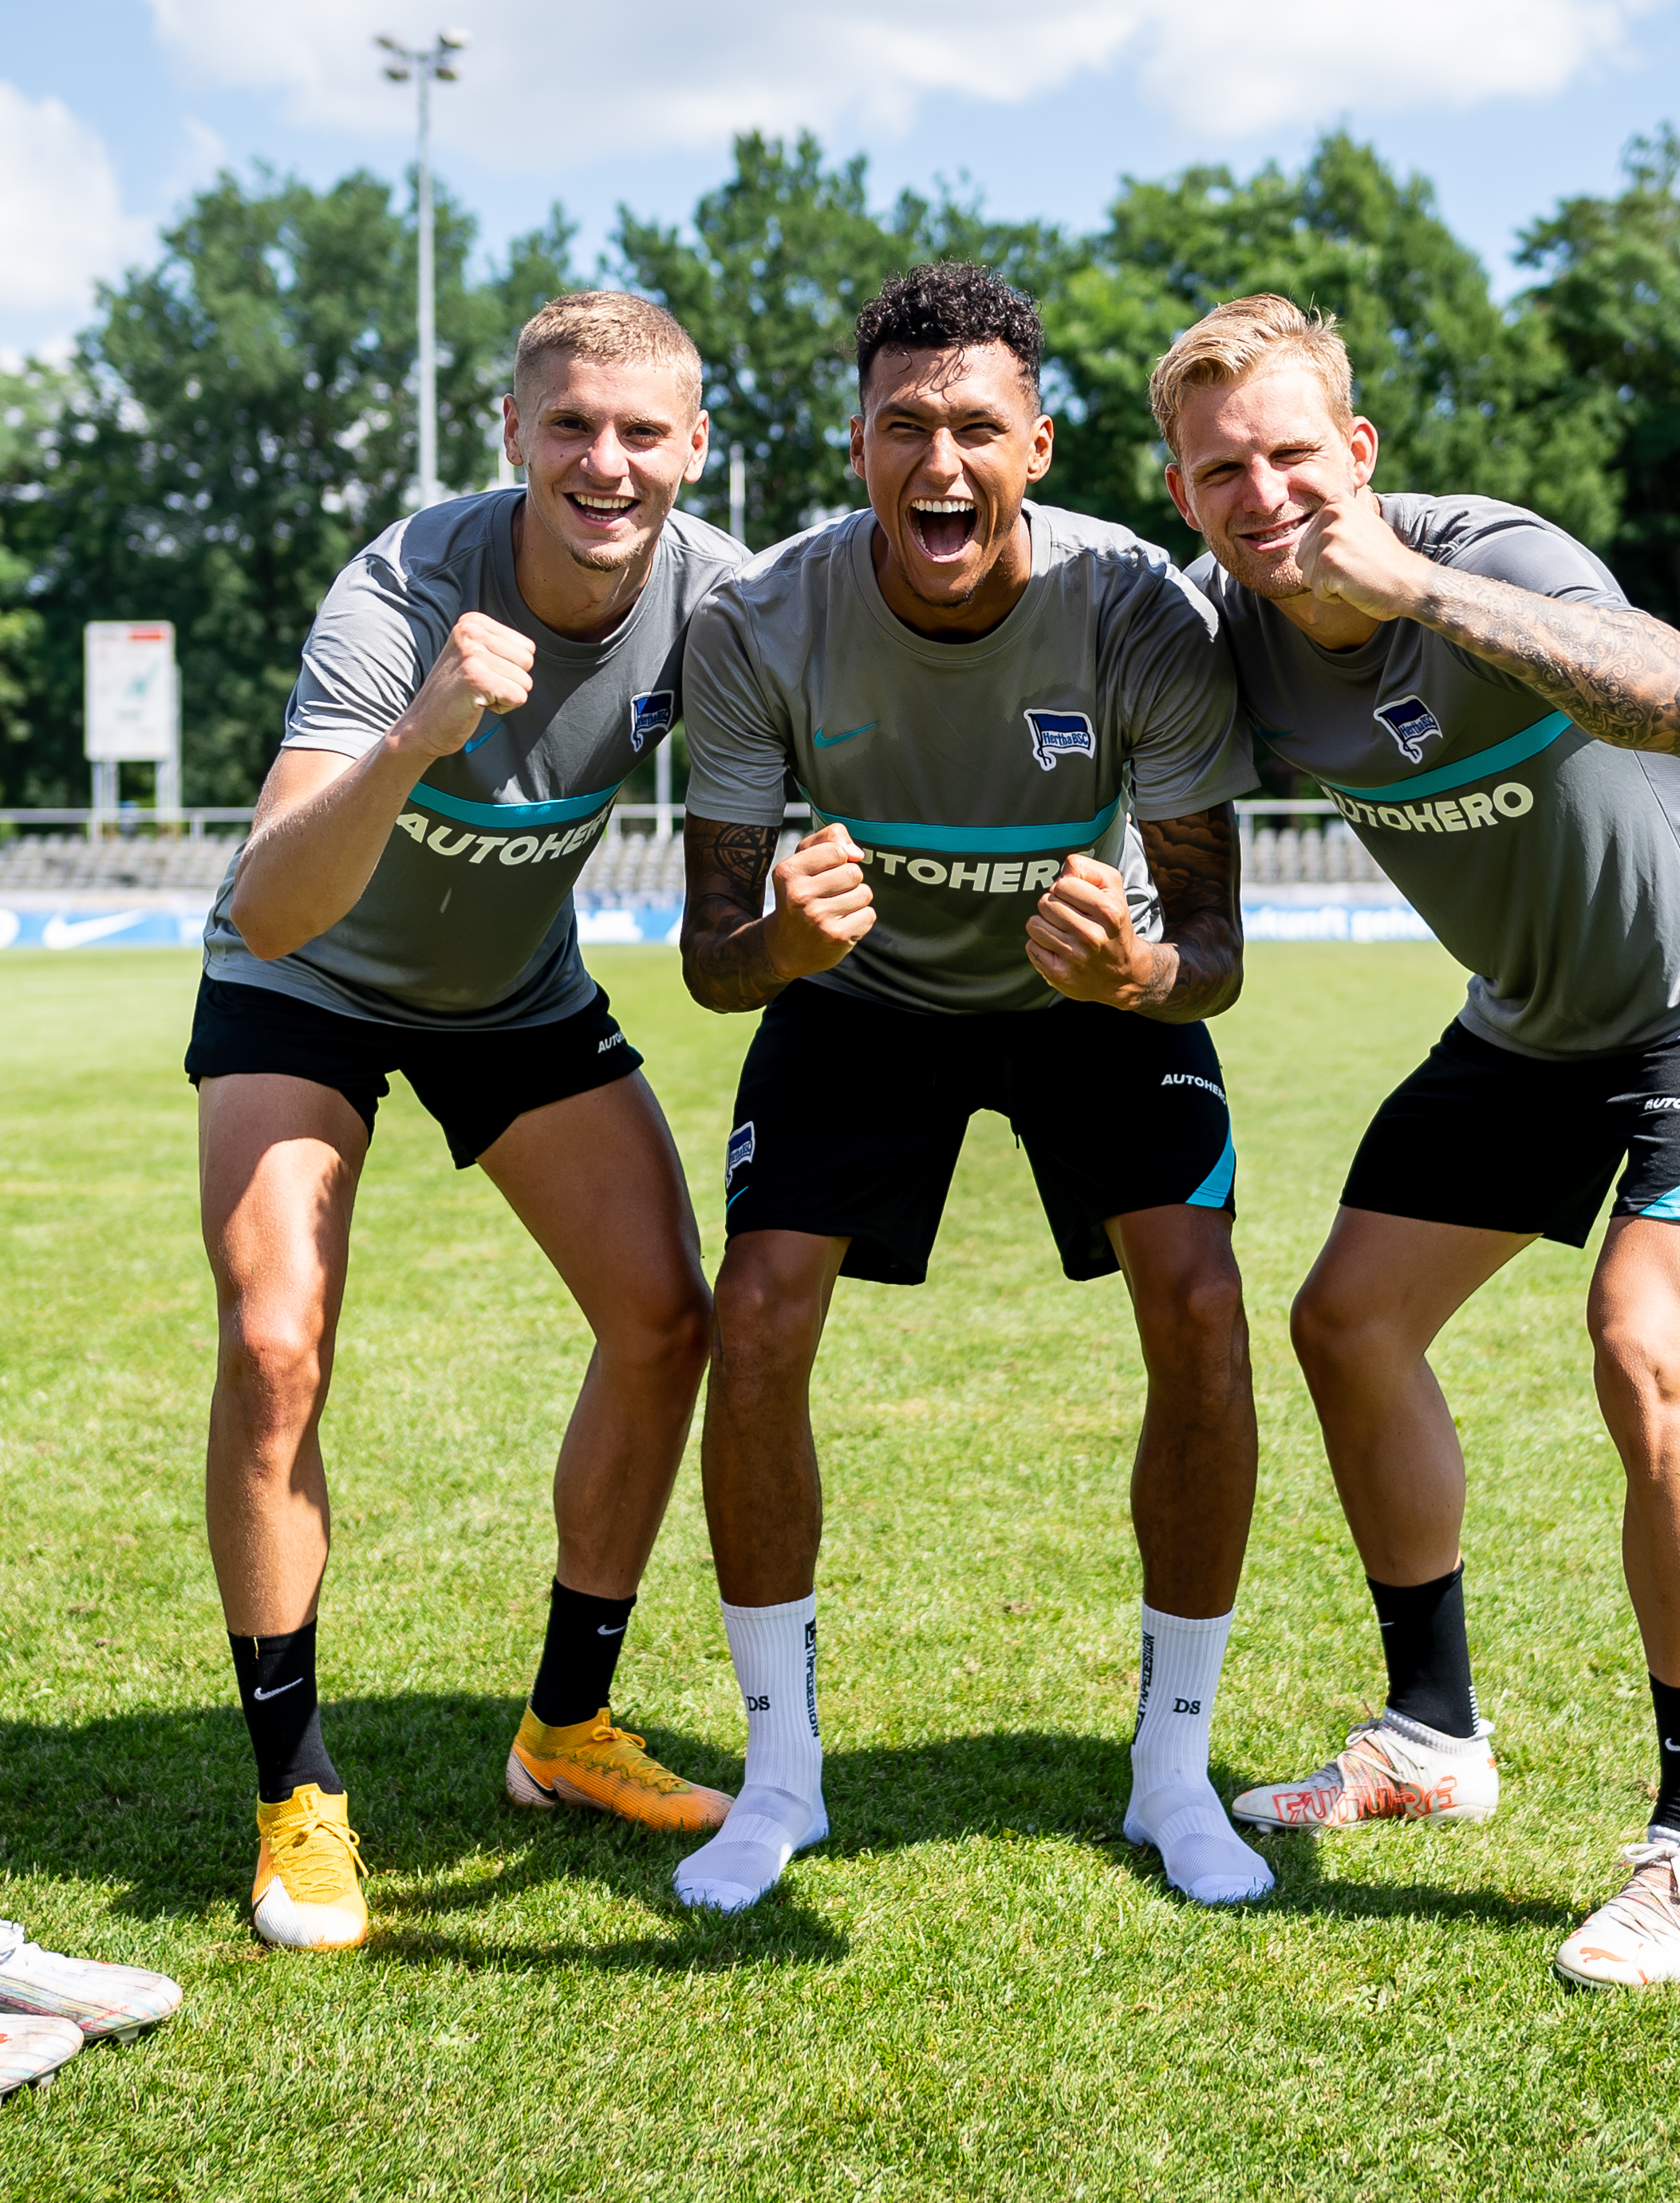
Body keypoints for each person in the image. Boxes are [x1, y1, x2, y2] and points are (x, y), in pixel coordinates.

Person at [1155, 294, 1680, 1990]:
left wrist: (1423, 592)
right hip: (1530, 1024)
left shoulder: (1486, 553)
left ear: (1358, 454)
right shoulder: (1222, 643)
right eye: (1222, 467)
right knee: (1346, 1321)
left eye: (1295, 454)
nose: (1266, 492)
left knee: (1644, 1344)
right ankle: (1430, 1737)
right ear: (1184, 491)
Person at [665, 262, 1275, 1915]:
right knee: (758, 1312)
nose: (943, 463)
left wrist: (1140, 975)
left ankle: (1171, 1772)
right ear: (855, 443)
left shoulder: (1144, 608)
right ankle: (779, 1779)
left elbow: (1214, 942)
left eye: (977, 429)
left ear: (1040, 444)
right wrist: (779, 945)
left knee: (1204, 1307)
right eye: (905, 427)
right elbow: (710, 952)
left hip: (1086, 992)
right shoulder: (758, 624)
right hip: (857, 999)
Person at [188, 290, 751, 1953]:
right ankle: (296, 1793)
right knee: (275, 1341)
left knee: (665, 1321)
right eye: (570, 425)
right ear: (514, 434)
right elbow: (275, 903)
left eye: (643, 432)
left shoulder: (725, 598)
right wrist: (424, 730)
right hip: (309, 990)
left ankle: (564, 1731)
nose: (606, 461)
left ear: (694, 448)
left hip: (513, 993)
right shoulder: (402, 586)